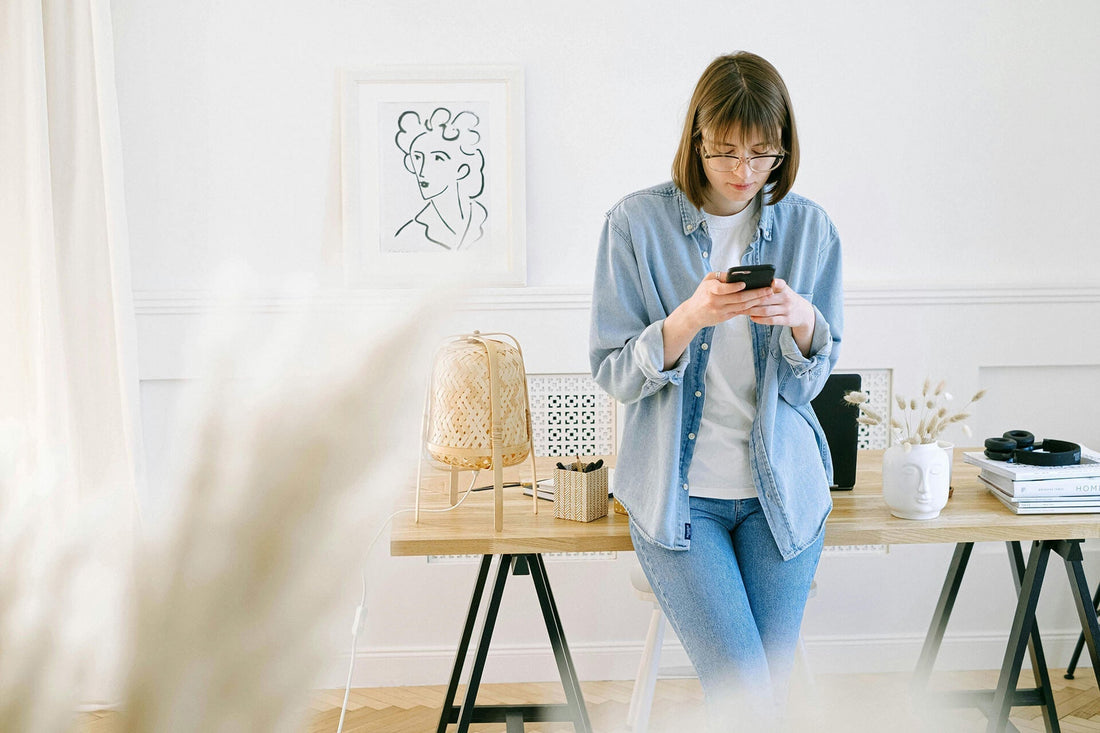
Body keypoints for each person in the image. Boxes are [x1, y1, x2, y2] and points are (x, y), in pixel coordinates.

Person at [589, 51, 843, 728]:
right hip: (681, 503)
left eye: (761, 154)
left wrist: (803, 322)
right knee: (747, 698)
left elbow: (813, 379)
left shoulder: (809, 228)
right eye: (724, 152)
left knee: (760, 698)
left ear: (782, 148)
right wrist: (687, 319)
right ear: (695, 141)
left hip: (780, 496)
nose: (741, 173)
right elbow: (613, 369)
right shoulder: (634, 225)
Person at [392, 107, 487, 251]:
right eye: (417, 157)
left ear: (462, 170)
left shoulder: (485, 219)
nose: (422, 171)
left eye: (438, 158)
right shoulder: (409, 235)